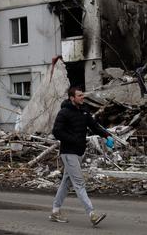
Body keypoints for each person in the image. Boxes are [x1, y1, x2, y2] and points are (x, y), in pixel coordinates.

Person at [50, 86, 114, 227]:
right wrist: (73, 139)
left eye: (82, 95)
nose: (82, 97)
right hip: (68, 152)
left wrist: (107, 135)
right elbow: (56, 132)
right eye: (79, 95)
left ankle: (55, 211)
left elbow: (94, 126)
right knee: (79, 183)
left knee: (66, 182)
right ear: (72, 98)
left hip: (79, 152)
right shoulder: (64, 113)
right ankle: (92, 214)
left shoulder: (84, 111)